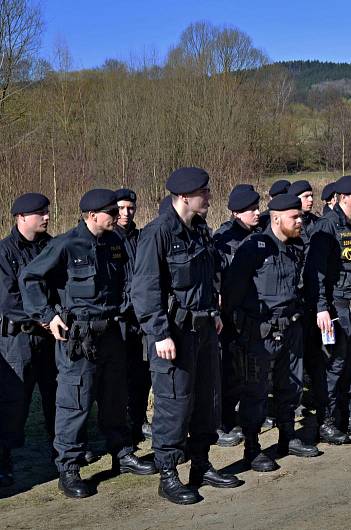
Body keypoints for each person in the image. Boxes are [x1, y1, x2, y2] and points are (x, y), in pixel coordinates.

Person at [21, 189, 156, 499]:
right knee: (75, 402)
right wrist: (47, 316)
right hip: (78, 338)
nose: (119, 215)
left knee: (114, 396)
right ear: (93, 216)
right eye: (111, 212)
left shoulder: (116, 242)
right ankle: (68, 468)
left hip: (112, 333)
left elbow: (130, 280)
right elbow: (30, 278)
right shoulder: (66, 245)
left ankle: (121, 453)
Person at [133, 168, 242, 505]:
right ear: (183, 197)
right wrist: (159, 333)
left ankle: (201, 464)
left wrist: (213, 312)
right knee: (174, 405)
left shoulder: (200, 231)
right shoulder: (158, 233)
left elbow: (207, 278)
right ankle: (168, 474)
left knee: (207, 400)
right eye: (203, 192)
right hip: (174, 334)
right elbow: (145, 289)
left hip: (205, 329)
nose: (209, 197)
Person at [224, 193, 321, 472]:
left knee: (290, 387)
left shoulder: (294, 247)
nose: (300, 221)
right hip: (260, 333)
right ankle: (252, 449)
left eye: (300, 216)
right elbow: (233, 293)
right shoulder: (253, 247)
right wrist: (243, 330)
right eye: (295, 217)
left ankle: (287, 436)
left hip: (291, 328)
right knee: (255, 393)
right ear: (277, 218)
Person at [305, 175, 351, 444]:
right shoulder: (327, 227)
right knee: (334, 365)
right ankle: (326, 422)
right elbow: (316, 273)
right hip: (336, 308)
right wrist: (321, 308)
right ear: (343, 197)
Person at [0, 193, 57, 487]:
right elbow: (8, 301)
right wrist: (44, 317)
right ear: (21, 217)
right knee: (13, 400)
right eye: (40, 213)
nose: (47, 217)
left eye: (47, 212)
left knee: (55, 395)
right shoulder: (4, 252)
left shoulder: (52, 246)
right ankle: (3, 458)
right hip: (18, 339)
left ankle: (60, 450)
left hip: (50, 337)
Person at [213, 184, 262, 448]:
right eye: (251, 210)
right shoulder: (224, 238)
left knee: (250, 370)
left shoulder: (259, 235)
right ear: (236, 212)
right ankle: (222, 422)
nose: (257, 213)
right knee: (227, 372)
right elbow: (217, 276)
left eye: (257, 208)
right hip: (230, 316)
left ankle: (244, 416)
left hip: (252, 314)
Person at [113, 188, 152, 444]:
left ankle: (139, 421)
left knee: (142, 373)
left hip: (141, 318)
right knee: (118, 377)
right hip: (118, 319)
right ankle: (120, 426)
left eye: (131, 208)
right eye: (121, 208)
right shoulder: (107, 239)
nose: (126, 213)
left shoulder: (142, 238)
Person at [289, 180, 319, 247]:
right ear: (295, 199)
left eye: (311, 195)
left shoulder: (318, 222)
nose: (311, 199)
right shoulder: (287, 225)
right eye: (306, 196)